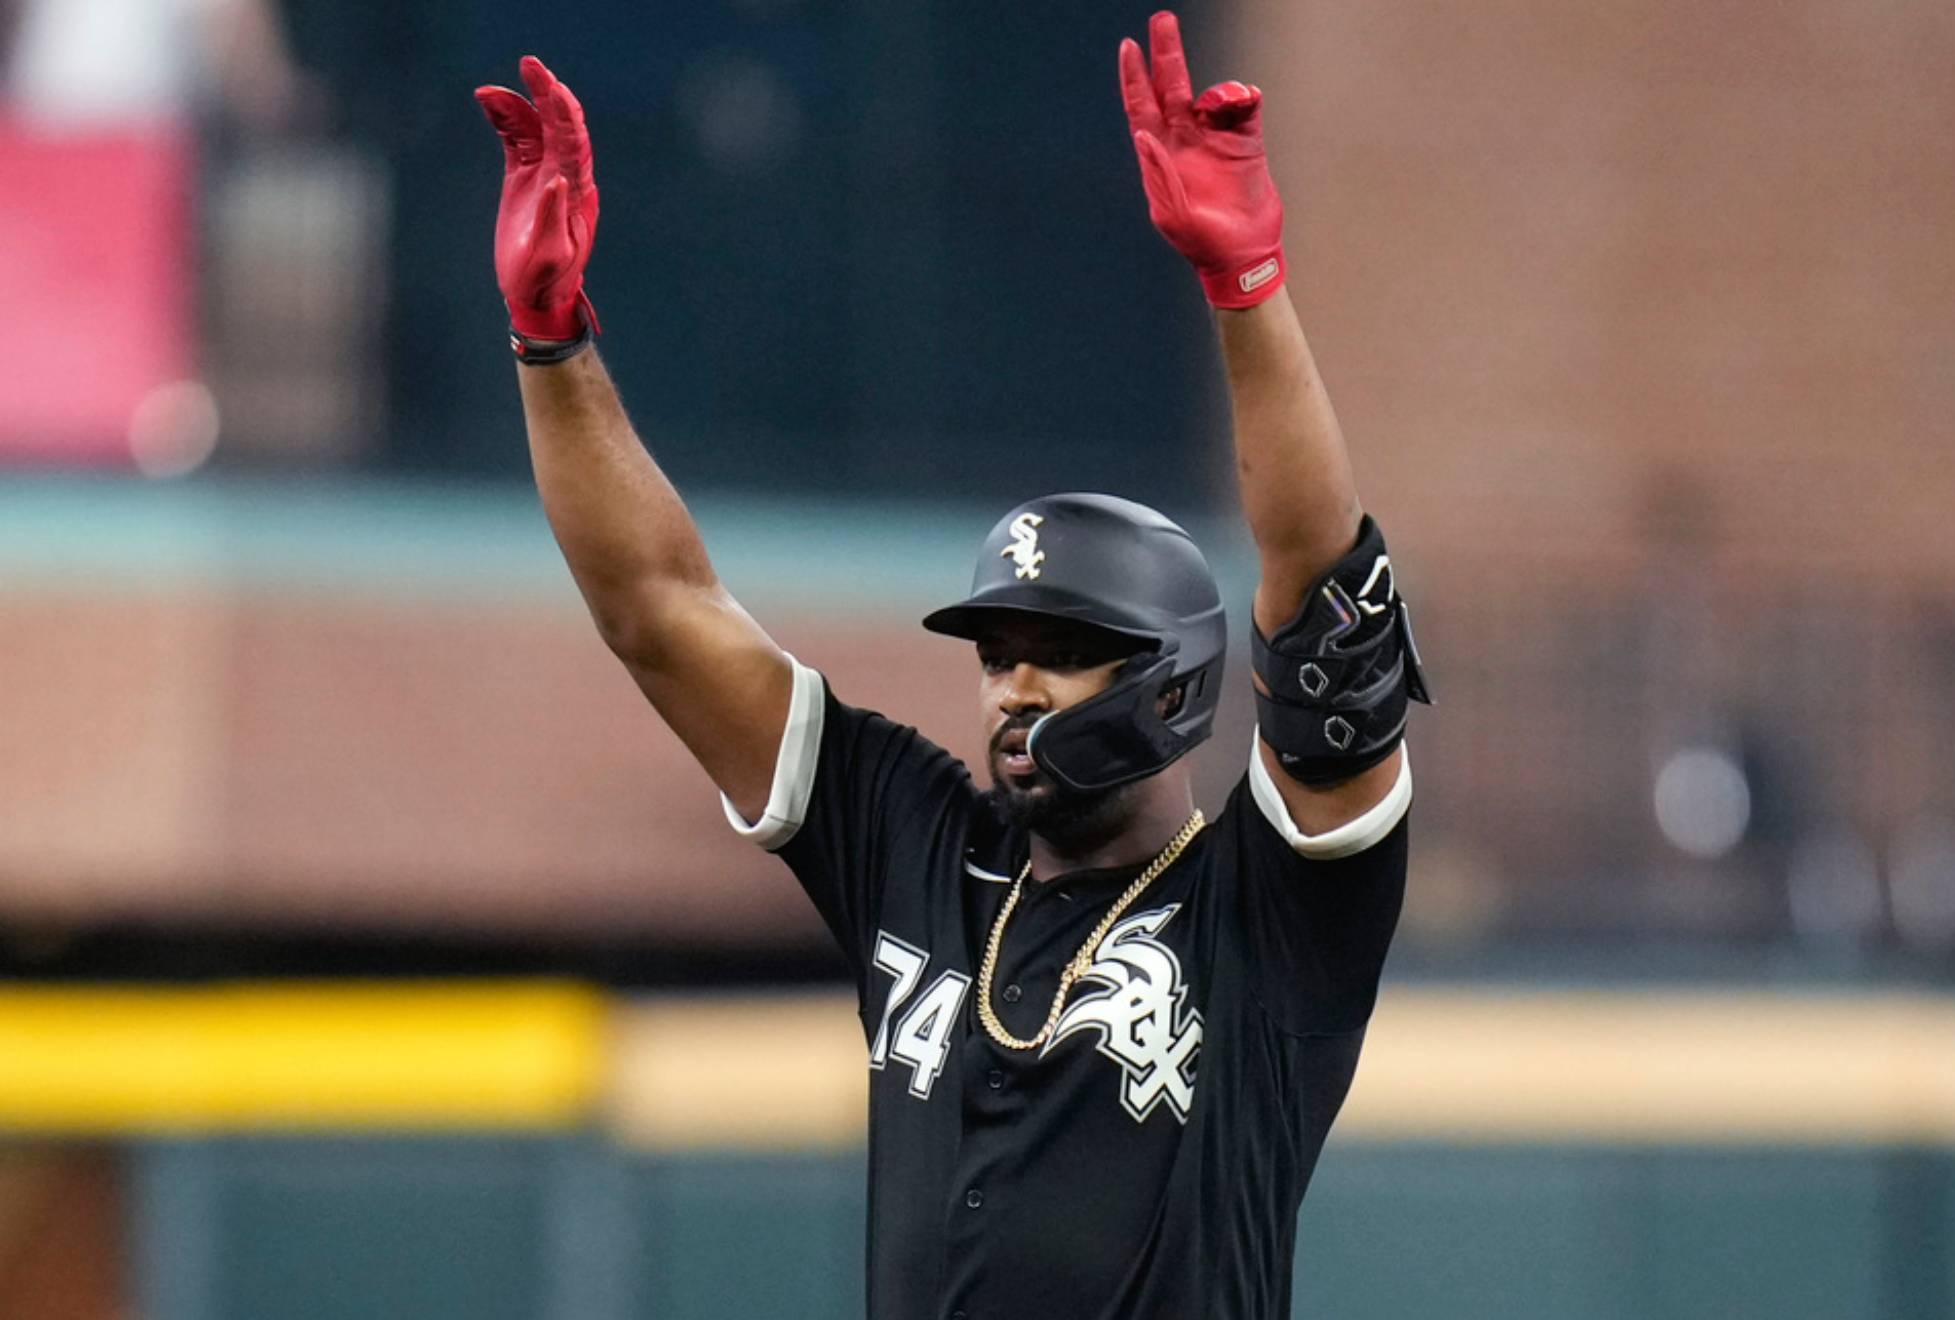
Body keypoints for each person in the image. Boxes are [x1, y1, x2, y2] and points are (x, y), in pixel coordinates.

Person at [477, 12, 1431, 1318]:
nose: (1016, 686)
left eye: (1067, 653)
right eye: (999, 652)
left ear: (1174, 683)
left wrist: (1247, 289)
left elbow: (1326, 620)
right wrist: (552, 345)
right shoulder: (918, 845)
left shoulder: (1269, 922)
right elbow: (657, 609)